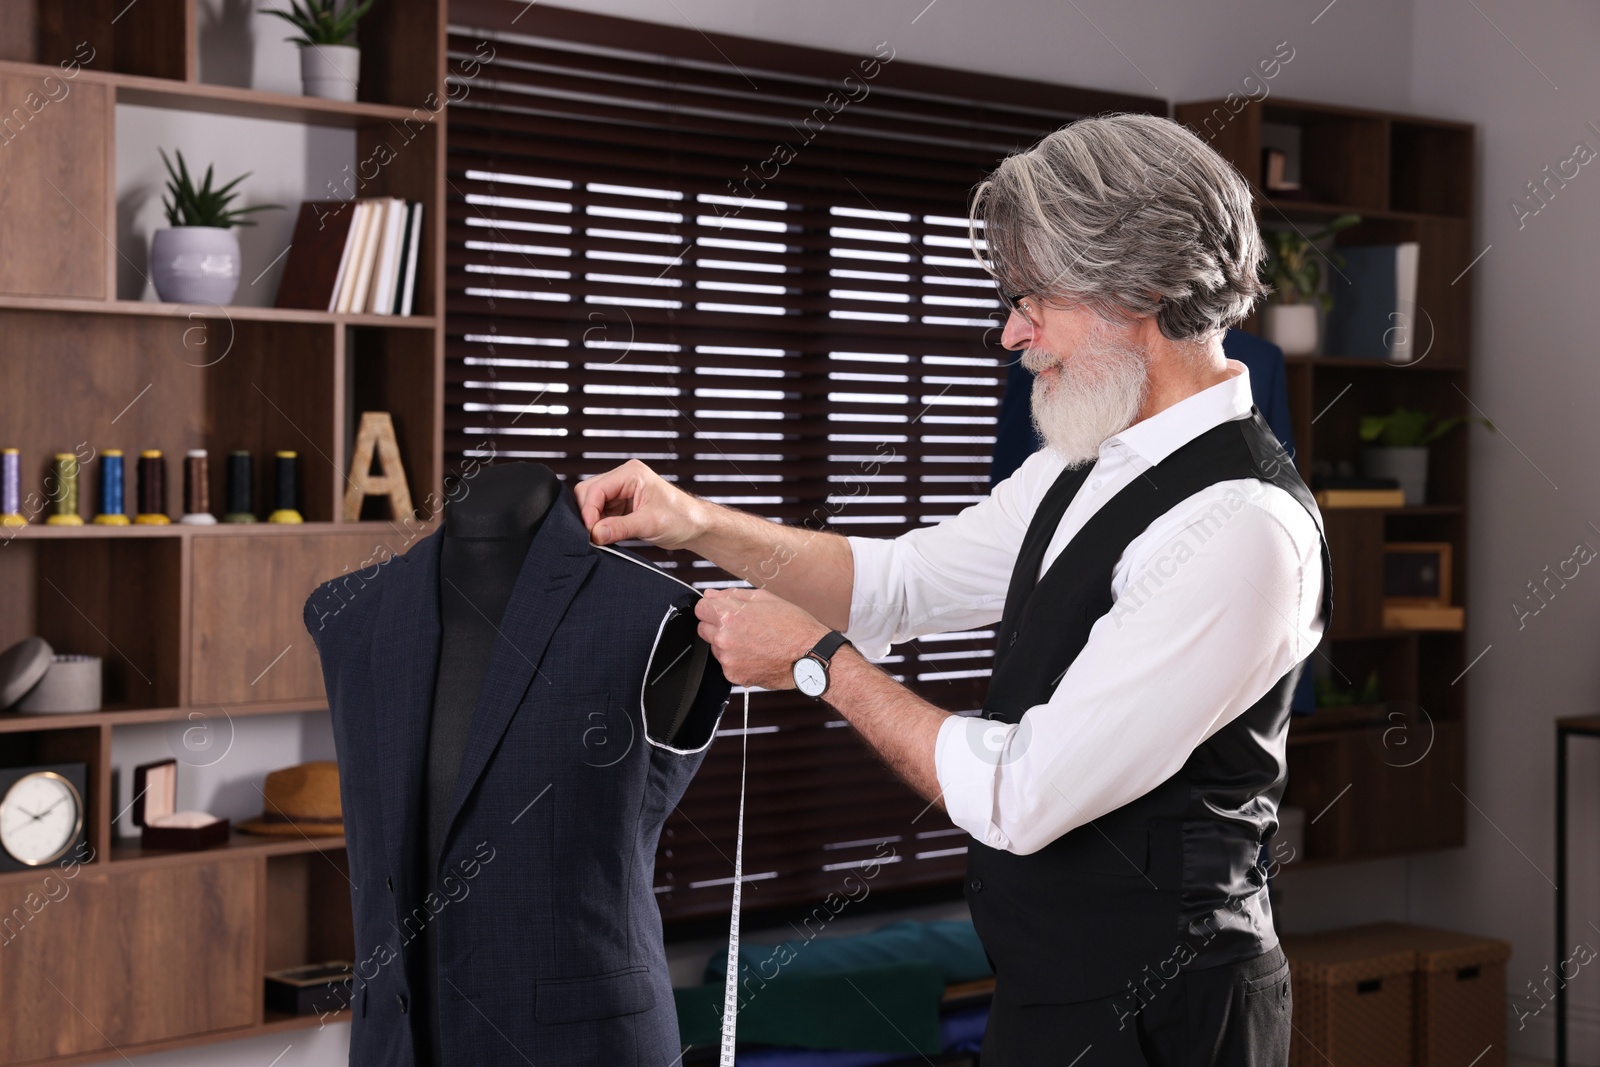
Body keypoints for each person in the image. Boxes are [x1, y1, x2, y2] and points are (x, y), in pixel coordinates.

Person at [573, 113, 1329, 1066]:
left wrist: (817, 666)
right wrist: (695, 521)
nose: (1010, 333)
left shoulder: (1241, 530)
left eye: (1032, 299)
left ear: (1133, 287)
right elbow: (899, 583)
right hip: (1048, 997)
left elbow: (1024, 790)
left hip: (1170, 1019)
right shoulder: (1086, 464)